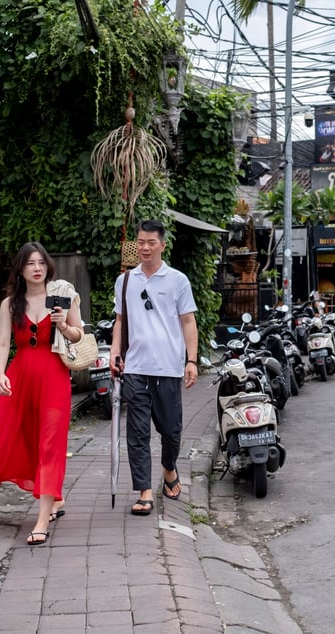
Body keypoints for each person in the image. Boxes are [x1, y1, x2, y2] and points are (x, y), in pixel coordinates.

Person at [0, 242, 80, 546]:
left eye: (41, 263)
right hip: (20, 377)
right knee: (13, 436)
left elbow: (79, 335)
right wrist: (0, 375)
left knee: (50, 444)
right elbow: (2, 343)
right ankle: (54, 498)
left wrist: (63, 325)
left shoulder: (62, 296)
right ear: (20, 270)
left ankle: (41, 519)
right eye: (30, 263)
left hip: (54, 377)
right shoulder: (10, 304)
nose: (37, 268)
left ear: (48, 266)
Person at [111, 220, 199, 517]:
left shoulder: (177, 280)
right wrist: (114, 353)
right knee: (137, 433)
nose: (145, 248)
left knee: (171, 430)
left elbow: (188, 321)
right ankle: (144, 491)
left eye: (151, 242)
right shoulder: (125, 281)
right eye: (140, 242)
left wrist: (191, 360)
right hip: (135, 367)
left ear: (162, 244)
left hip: (168, 368)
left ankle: (169, 467)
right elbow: (120, 321)